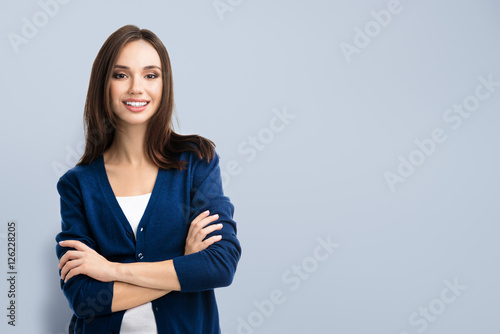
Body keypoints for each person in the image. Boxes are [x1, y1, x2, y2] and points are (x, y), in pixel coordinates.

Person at [55, 24, 241, 334]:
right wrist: (184, 263)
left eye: (150, 75)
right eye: (121, 75)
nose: (136, 88)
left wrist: (111, 270)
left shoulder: (196, 161)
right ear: (104, 84)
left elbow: (219, 266)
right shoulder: (77, 184)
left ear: (164, 85)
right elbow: (84, 299)